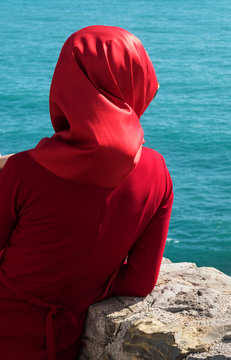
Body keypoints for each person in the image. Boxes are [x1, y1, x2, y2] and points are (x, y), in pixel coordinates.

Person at [0, 26, 173, 360]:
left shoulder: (24, 172)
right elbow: (139, 282)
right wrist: (86, 286)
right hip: (65, 340)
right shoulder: (158, 173)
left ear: (68, 84)